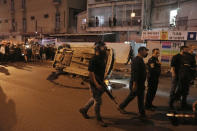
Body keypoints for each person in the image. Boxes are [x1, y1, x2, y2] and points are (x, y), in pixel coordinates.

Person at [79, 41, 108, 127]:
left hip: (100, 82)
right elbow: (91, 74)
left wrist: (104, 81)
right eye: (103, 47)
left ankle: (84, 109)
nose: (105, 48)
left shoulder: (102, 58)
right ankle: (98, 119)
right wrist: (96, 84)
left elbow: (102, 71)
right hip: (94, 83)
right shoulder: (93, 59)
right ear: (98, 48)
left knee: (95, 98)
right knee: (98, 101)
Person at [118, 47, 149, 118]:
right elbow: (135, 73)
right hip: (136, 83)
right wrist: (135, 84)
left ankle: (142, 113)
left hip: (140, 83)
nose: (146, 53)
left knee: (140, 98)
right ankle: (121, 107)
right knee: (132, 97)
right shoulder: (136, 60)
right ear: (141, 51)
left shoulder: (140, 60)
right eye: (145, 51)